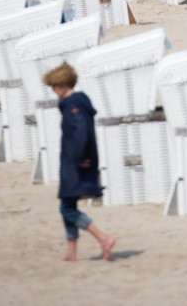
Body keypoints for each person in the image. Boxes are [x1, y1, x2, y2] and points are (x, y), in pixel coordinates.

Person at [44, 62, 116, 262]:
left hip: (76, 163)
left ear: (64, 85)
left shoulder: (74, 106)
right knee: (68, 203)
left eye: (55, 86)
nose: (53, 90)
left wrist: (80, 158)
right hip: (73, 161)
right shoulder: (75, 103)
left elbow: (81, 133)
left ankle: (103, 238)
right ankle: (71, 251)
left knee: (67, 207)